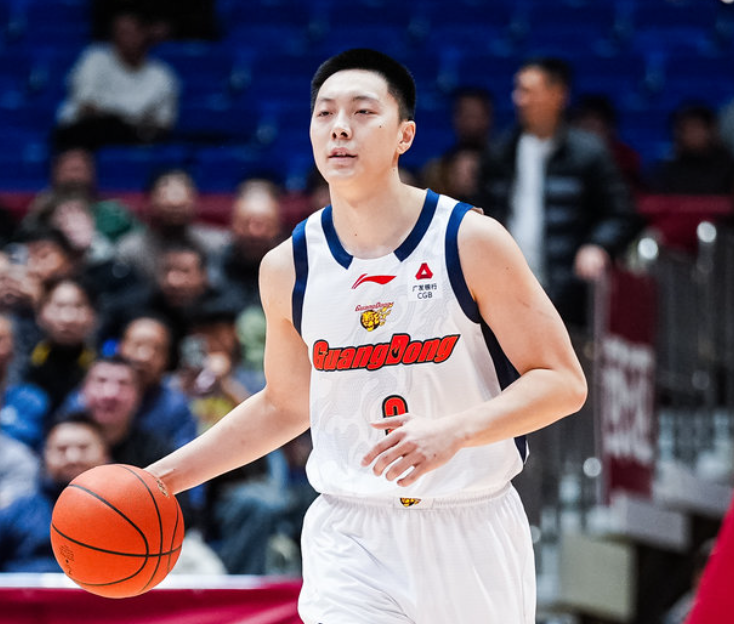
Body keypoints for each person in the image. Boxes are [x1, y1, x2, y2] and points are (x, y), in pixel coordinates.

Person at [146, 48, 587, 622]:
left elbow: (562, 382)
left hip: (471, 525)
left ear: (405, 135)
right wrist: (160, 480)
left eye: (362, 112)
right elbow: (285, 405)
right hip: (350, 536)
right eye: (325, 114)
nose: (340, 128)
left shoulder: (470, 240)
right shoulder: (288, 267)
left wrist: (455, 432)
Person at [476, 57, 641, 329]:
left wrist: (597, 245)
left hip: (569, 291)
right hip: (507, 287)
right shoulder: (499, 152)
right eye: (517, 90)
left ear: (558, 95)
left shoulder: (590, 152)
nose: (518, 99)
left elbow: (620, 212)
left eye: (528, 91)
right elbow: (481, 213)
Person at [53, 10, 179, 151]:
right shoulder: (94, 59)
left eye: (130, 32)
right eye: (119, 33)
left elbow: (163, 124)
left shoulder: (162, 75)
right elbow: (86, 107)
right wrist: (131, 118)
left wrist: (124, 120)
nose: (124, 38)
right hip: (85, 135)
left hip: (133, 139)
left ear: (144, 33)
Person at [0, 415, 110, 572]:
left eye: (83, 448)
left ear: (104, 454)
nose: (72, 458)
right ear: (45, 456)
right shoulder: (18, 512)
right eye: (61, 449)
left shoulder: (125, 511)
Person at [115, 169, 228, 283]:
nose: (175, 202)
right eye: (169, 207)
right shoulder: (130, 250)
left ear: (195, 203)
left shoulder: (217, 245)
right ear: (149, 203)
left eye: (181, 206)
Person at [27, 147, 139, 243]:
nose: (74, 178)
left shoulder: (114, 212)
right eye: (68, 170)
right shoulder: (41, 211)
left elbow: (137, 242)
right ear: (55, 174)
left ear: (92, 174)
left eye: (79, 170)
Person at [648, 102, 734, 196]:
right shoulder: (665, 172)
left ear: (711, 131)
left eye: (695, 128)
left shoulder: (728, 169)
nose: (690, 135)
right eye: (683, 129)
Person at [570, 93, 645, 194]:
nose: (587, 136)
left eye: (593, 128)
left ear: (610, 130)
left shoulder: (627, 161)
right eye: (583, 128)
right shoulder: (560, 158)